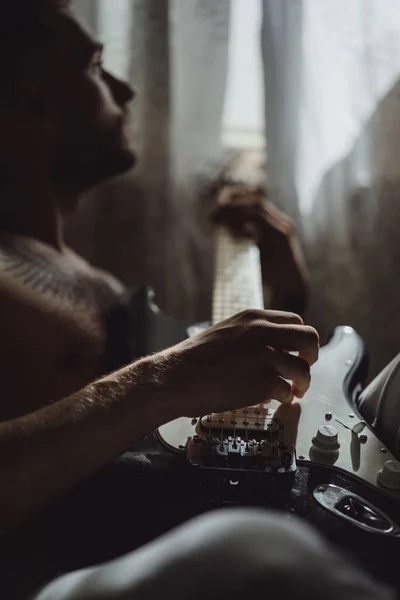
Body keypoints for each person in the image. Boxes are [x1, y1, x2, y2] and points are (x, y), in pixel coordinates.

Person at [0, 2, 394, 599]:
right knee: (262, 551)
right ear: (34, 101)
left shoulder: (95, 283)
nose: (126, 89)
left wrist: (284, 305)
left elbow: (192, 407)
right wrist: (163, 378)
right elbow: (161, 387)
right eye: (96, 66)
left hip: (170, 516)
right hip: (63, 563)